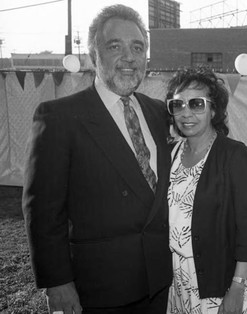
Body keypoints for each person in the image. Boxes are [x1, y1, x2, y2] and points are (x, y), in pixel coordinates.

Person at [22, 4, 172, 313]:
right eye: (114, 46)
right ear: (94, 55)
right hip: (99, 289)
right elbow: (43, 210)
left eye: (137, 47)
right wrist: (57, 282)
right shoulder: (59, 118)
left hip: (157, 283)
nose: (129, 57)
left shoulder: (158, 112)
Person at [165, 66, 247, 314]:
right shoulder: (170, 153)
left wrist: (237, 288)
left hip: (216, 283)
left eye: (197, 104)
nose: (186, 113)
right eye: (178, 104)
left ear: (214, 109)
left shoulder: (234, 155)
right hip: (175, 281)